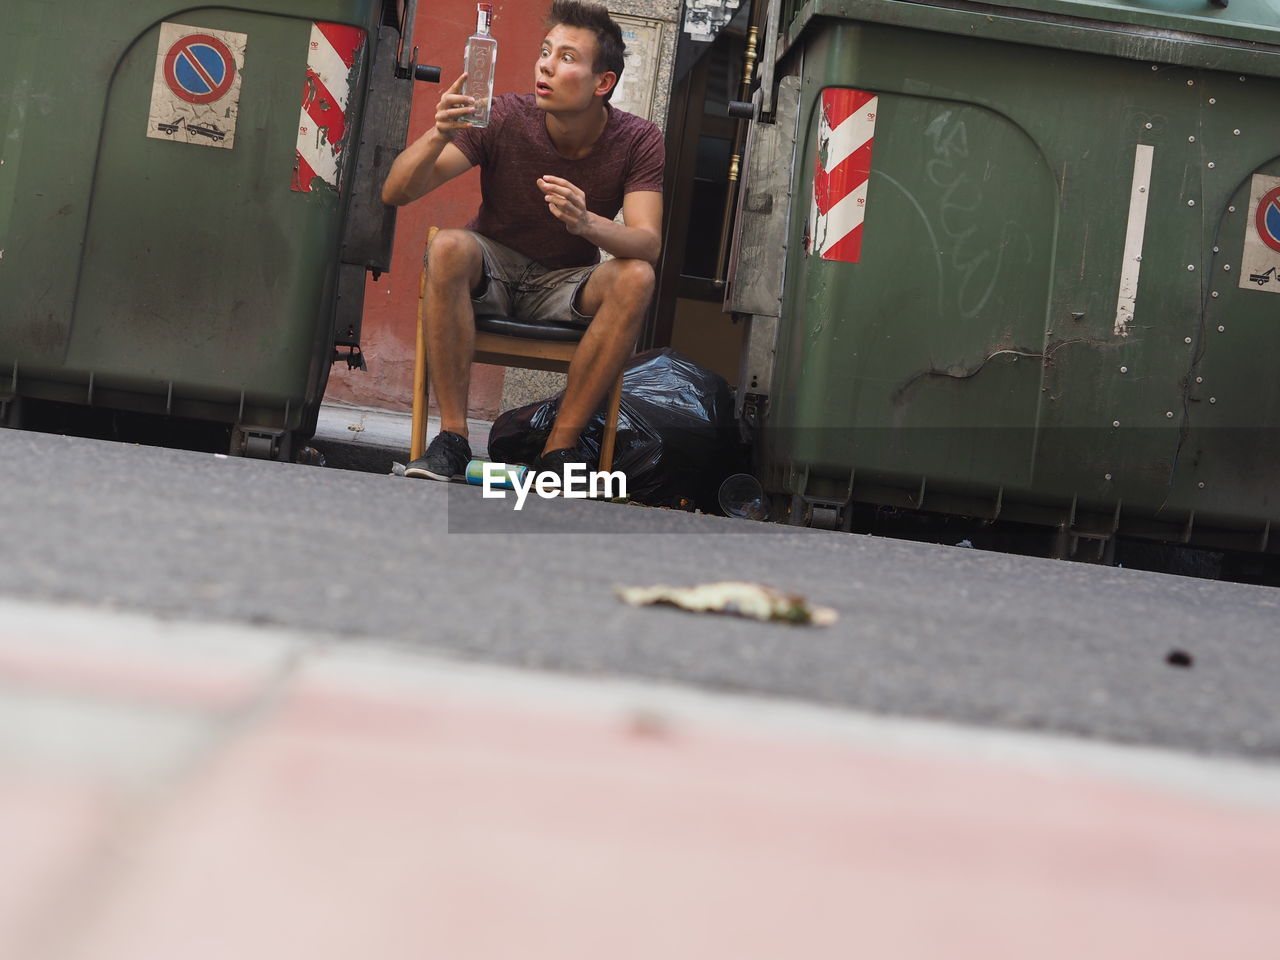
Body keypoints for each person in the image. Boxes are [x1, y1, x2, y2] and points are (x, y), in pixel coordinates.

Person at [382, 0, 665, 483]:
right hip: (493, 270)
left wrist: (586, 223)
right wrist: (438, 133)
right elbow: (396, 192)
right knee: (449, 245)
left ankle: (559, 449)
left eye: (567, 57)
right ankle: (451, 440)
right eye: (545, 51)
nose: (546, 65)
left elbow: (647, 244)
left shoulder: (637, 139)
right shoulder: (505, 116)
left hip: (567, 283)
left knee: (636, 276)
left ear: (603, 83)